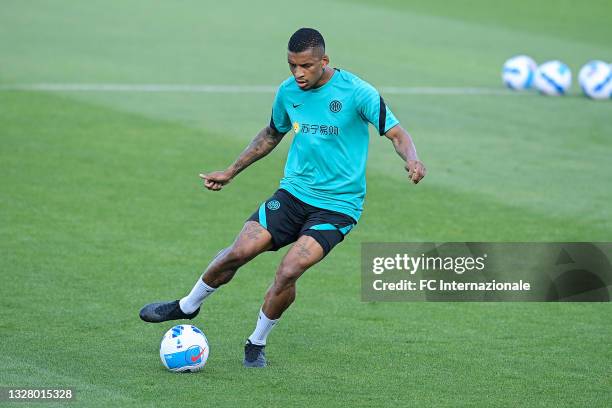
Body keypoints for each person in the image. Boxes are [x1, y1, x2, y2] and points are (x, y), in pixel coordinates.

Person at [139, 27, 426, 368]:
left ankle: (256, 342)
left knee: (290, 269)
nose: (298, 74)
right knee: (240, 250)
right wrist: (232, 170)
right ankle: (187, 305)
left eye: (305, 66)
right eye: (292, 66)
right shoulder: (288, 92)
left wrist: (412, 159)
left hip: (338, 206)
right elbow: (271, 133)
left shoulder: (357, 92)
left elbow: (396, 133)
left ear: (324, 60)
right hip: (292, 195)